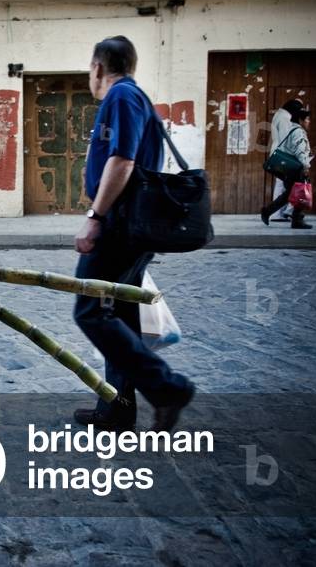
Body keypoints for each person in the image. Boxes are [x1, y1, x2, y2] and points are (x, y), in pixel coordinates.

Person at [72, 36, 195, 433]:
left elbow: (121, 161)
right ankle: (118, 410)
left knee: (90, 310)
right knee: (117, 312)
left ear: (97, 68)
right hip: (131, 225)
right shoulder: (136, 96)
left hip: (120, 226)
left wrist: (95, 215)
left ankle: (167, 387)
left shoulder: (121, 97)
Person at [261, 100, 313, 229]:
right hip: (296, 167)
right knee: (300, 192)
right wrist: (306, 165)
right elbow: (300, 150)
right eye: (307, 119)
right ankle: (297, 220)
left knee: (289, 193)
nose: (309, 122)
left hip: (289, 167)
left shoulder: (291, 129)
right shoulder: (298, 132)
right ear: (300, 120)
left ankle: (268, 211)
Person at [266, 100, 300, 222]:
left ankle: (282, 212)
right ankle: (279, 213)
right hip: (283, 155)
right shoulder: (285, 118)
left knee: (283, 184)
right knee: (284, 185)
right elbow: (287, 139)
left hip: (279, 153)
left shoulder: (279, 115)